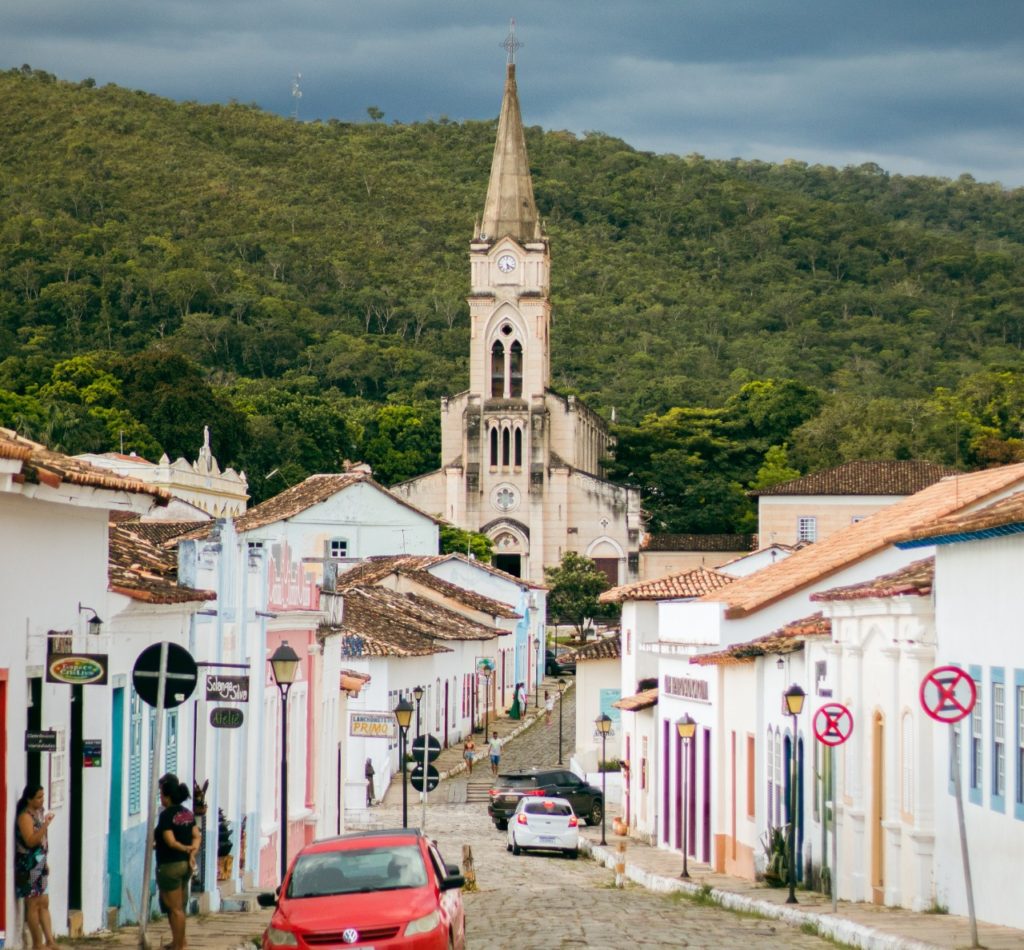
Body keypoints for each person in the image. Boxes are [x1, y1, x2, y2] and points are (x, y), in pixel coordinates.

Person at [154, 774, 201, 950]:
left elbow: (170, 841)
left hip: (170, 866)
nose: (160, 797)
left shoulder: (166, 816)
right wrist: (191, 852)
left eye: (161, 793)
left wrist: (185, 849)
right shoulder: (188, 814)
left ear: (167, 796)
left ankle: (180, 945)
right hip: (185, 866)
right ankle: (178, 942)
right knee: (178, 907)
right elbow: (196, 836)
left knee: (175, 909)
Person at [15, 784, 58, 950]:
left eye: (43, 796)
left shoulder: (38, 813)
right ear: (29, 799)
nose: (42, 800)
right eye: (39, 797)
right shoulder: (25, 817)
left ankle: (50, 941)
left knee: (44, 902)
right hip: (28, 864)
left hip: (39, 861)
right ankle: (37, 944)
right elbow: (31, 841)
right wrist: (45, 825)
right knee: (33, 904)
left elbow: (42, 843)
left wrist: (45, 861)